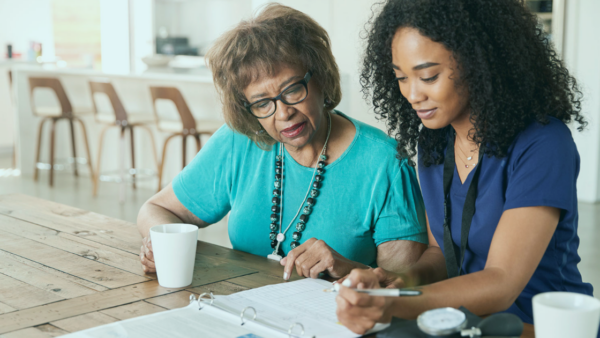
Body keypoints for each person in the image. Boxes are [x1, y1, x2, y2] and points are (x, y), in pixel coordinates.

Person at [335, 0, 595, 334]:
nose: (412, 94)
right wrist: (395, 282)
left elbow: (502, 282)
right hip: (465, 325)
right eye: (401, 77)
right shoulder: (433, 143)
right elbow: (440, 253)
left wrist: (394, 304)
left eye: (428, 76)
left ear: (479, 63)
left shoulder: (544, 145)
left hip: (543, 328)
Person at [137, 4, 428, 281]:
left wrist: (348, 269)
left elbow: (403, 287)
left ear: (321, 78)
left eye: (292, 90)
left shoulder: (385, 163)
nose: (283, 113)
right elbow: (156, 209)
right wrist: (160, 241)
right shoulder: (240, 141)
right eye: (262, 103)